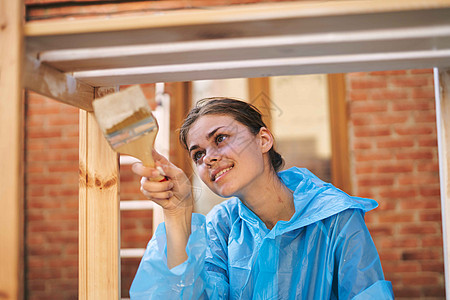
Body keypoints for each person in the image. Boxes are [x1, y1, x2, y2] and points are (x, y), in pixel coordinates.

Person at [129, 97, 394, 299]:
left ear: (263, 140)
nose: (208, 157)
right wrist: (177, 213)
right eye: (198, 154)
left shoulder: (336, 218)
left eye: (220, 138)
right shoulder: (221, 226)